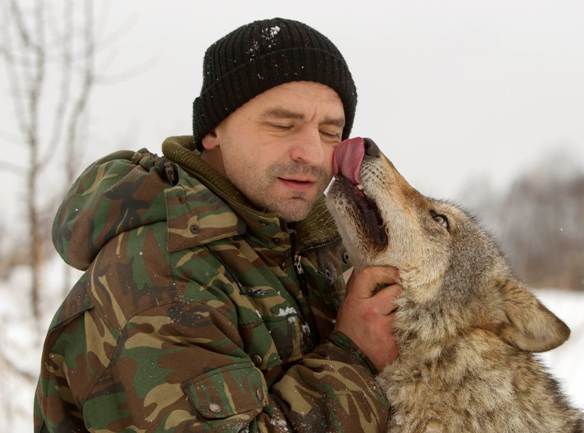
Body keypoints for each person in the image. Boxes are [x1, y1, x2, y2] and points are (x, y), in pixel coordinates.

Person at [34, 17, 402, 433]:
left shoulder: (307, 244)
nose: (312, 154)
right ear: (213, 131)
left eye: (330, 131)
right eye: (283, 124)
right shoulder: (161, 274)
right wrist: (354, 356)